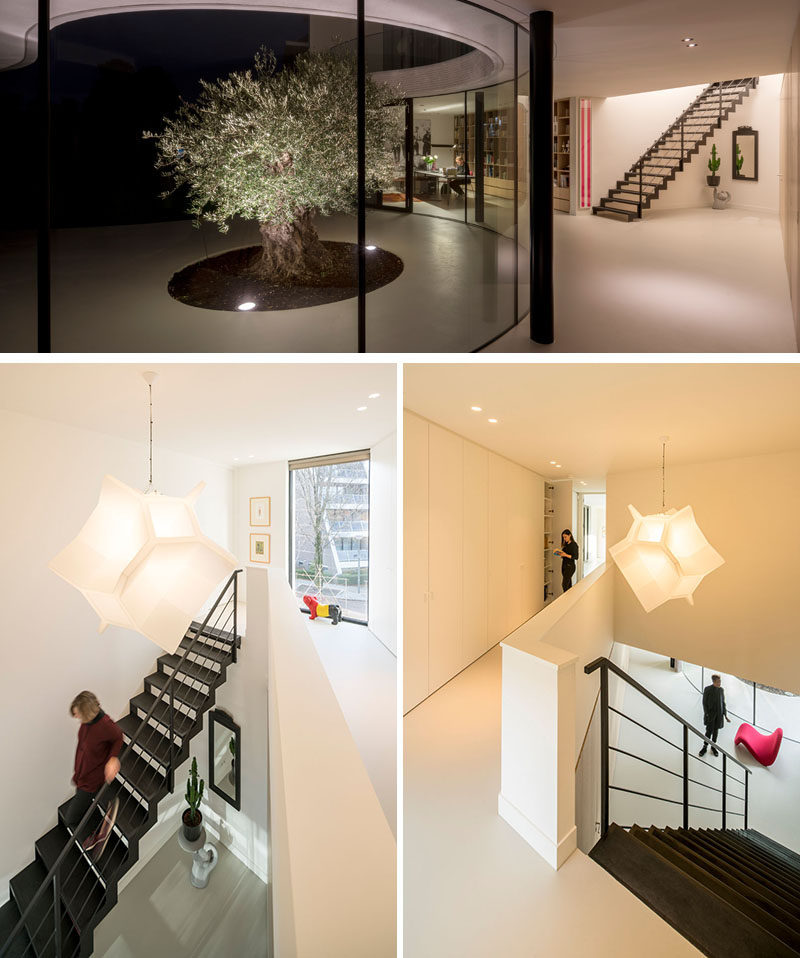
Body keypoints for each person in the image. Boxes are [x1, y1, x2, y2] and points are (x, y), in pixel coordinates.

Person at [64, 691, 123, 852]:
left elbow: (118, 737)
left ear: (86, 711)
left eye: (78, 714)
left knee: (71, 819)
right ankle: (101, 823)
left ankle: (95, 837)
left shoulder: (105, 725)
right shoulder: (87, 723)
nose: (76, 717)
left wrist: (112, 758)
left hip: (91, 778)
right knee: (86, 807)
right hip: (82, 775)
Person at [699, 674, 731, 757]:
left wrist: (725, 715)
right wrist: (707, 714)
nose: (719, 683)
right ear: (713, 681)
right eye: (718, 682)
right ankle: (704, 747)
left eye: (720, 682)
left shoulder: (721, 690)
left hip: (719, 715)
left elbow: (723, 703)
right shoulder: (707, 689)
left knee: (716, 732)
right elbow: (704, 703)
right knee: (709, 731)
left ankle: (713, 747)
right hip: (710, 715)